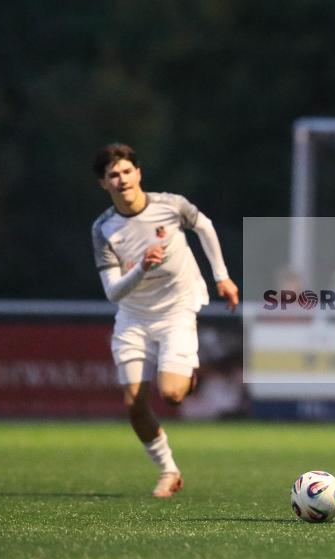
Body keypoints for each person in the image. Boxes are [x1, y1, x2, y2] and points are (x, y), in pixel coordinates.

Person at [90, 143, 239, 498]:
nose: (122, 179)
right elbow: (113, 292)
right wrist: (142, 267)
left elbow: (204, 226)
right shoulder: (104, 229)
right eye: (113, 175)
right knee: (134, 404)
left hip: (176, 309)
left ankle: (188, 376)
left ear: (139, 173)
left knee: (172, 394)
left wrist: (222, 277)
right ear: (104, 184)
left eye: (127, 171)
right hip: (133, 317)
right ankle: (169, 470)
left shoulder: (170, 206)